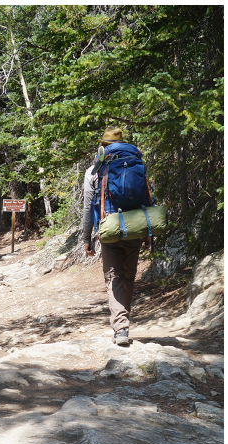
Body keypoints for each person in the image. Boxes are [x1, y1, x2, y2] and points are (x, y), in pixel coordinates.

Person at [80, 127, 151, 347]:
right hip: (136, 226)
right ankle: (123, 324)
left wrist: (86, 238)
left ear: (103, 145)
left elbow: (86, 208)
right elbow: (147, 196)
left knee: (113, 277)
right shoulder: (137, 164)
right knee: (128, 275)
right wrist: (148, 233)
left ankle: (121, 328)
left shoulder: (94, 170)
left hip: (110, 228)